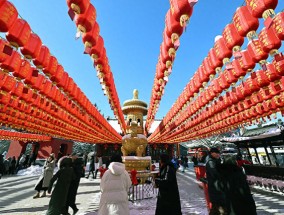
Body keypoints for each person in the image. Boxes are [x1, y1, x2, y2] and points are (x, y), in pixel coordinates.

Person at [205, 147, 227, 215]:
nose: (218, 154)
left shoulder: (214, 160)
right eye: (216, 153)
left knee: (216, 206)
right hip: (215, 186)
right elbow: (215, 174)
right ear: (212, 153)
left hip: (216, 186)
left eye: (218, 153)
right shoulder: (211, 162)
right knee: (218, 205)